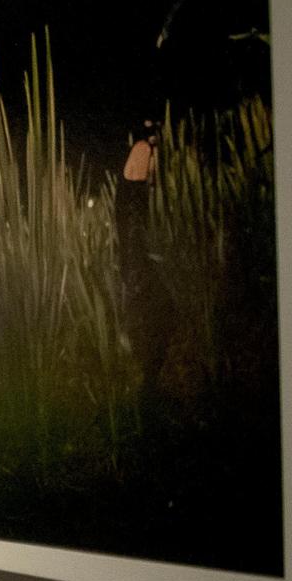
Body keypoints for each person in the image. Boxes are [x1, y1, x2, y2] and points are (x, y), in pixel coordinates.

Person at [115, 119, 169, 392]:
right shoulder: (142, 150)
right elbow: (138, 205)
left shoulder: (141, 152)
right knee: (145, 310)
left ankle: (146, 375)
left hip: (135, 251)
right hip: (137, 252)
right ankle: (145, 376)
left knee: (146, 310)